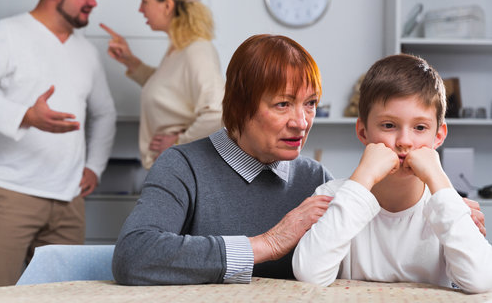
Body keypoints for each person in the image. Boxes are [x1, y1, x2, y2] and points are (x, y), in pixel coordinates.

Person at [112, 34, 334, 285]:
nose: (302, 123)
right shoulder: (182, 167)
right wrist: (267, 244)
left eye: (310, 103)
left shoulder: (317, 180)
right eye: (283, 104)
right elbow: (133, 256)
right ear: (238, 106)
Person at [0, 0, 116, 287]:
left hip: (68, 200)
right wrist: (26, 115)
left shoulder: (87, 51)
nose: (93, 1)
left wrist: (94, 167)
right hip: (10, 194)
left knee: (65, 295)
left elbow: (105, 112)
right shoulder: (6, 34)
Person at [292, 54, 492, 293]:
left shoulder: (448, 206)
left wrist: (439, 179)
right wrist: (363, 177)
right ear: (363, 132)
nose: (404, 141)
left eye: (420, 128)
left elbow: (482, 281)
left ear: (438, 136)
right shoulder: (335, 196)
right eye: (389, 125)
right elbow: (309, 273)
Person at [100, 0, 224, 169]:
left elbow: (217, 112)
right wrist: (131, 62)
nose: (140, 9)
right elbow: (169, 91)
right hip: (171, 169)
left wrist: (178, 143)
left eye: (145, 1)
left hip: (182, 170)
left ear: (167, 5)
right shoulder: (179, 49)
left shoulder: (197, 51)